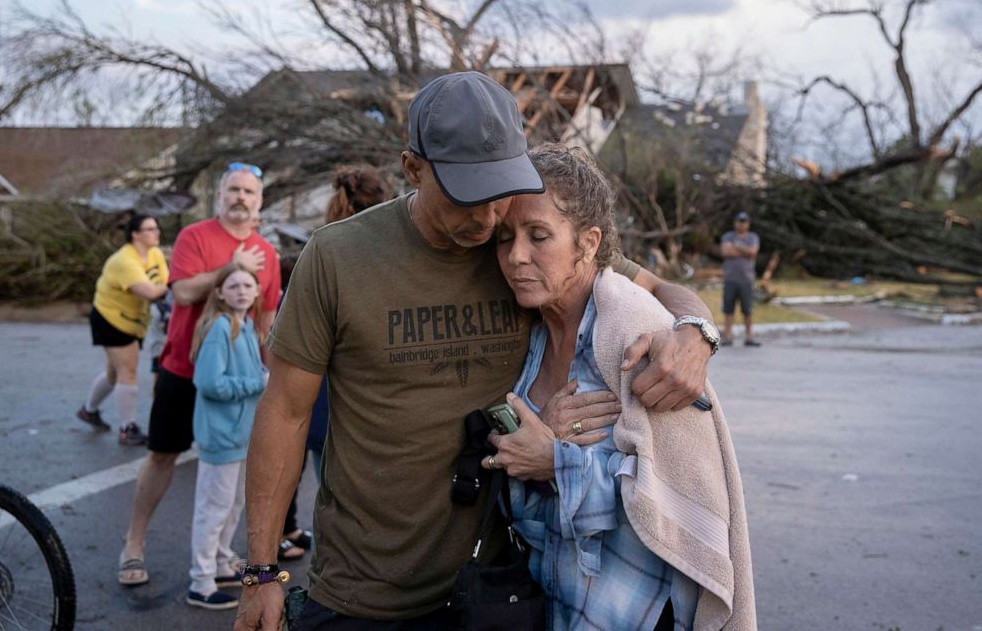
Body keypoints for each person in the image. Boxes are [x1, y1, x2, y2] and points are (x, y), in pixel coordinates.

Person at [234, 71, 719, 631]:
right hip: (360, 593)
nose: (488, 219)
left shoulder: (519, 252)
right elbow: (286, 414)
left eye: (499, 192)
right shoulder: (337, 257)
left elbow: (658, 290)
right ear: (412, 168)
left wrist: (694, 332)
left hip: (491, 587)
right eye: (467, 197)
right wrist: (262, 572)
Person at [485, 143, 754, 630]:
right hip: (557, 601)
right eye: (505, 238)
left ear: (588, 243)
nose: (515, 256)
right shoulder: (532, 331)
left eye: (538, 235)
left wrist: (555, 462)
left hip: (636, 610)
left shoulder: (636, 333)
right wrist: (535, 447)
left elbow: (677, 503)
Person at [117, 163, 281, 587]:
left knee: (233, 470)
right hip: (183, 371)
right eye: (234, 190)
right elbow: (184, 291)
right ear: (220, 195)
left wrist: (273, 377)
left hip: (238, 386)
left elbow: (267, 319)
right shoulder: (195, 236)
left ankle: (220, 557)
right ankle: (133, 544)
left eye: (249, 191)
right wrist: (233, 264)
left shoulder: (267, 251)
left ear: (259, 201)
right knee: (162, 455)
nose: (241, 197)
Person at [278, 165, 393, 562]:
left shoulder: (316, 259)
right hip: (365, 413)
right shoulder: (388, 266)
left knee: (329, 501)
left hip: (318, 407)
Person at [187, 263, 268, 610]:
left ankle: (221, 563)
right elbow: (209, 383)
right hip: (221, 435)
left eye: (247, 285)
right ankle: (200, 582)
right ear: (219, 292)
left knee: (233, 504)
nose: (241, 291)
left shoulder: (246, 325)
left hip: (241, 435)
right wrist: (258, 383)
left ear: (256, 291)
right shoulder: (220, 327)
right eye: (233, 286)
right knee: (213, 509)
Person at [77, 214, 168, 446]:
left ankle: (89, 410)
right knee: (128, 370)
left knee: (113, 372)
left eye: (156, 228)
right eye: (150, 229)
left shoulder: (155, 253)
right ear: (135, 234)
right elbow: (150, 291)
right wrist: (176, 284)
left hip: (133, 320)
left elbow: (162, 283)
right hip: (111, 319)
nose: (156, 232)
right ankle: (127, 428)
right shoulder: (124, 261)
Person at [720, 212, 761, 347]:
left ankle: (749, 336)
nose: (741, 224)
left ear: (748, 223)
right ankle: (727, 336)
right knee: (728, 309)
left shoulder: (753, 237)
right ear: (735, 222)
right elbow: (726, 252)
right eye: (739, 221)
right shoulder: (728, 236)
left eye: (744, 222)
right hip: (730, 278)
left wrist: (736, 247)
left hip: (746, 279)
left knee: (747, 310)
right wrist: (745, 251)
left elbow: (753, 252)